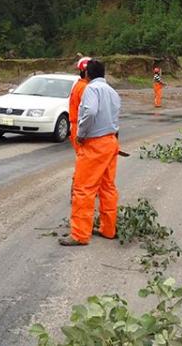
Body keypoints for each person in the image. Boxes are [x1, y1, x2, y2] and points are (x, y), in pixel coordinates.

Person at [60, 59, 121, 246]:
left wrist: (81, 133)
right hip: (111, 141)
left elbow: (91, 112)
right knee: (107, 187)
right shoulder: (112, 92)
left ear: (87, 74)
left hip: (95, 144)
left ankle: (79, 235)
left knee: (84, 189)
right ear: (103, 74)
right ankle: (108, 229)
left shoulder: (91, 90)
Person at [69, 57, 91, 152]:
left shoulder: (79, 85)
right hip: (81, 127)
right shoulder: (85, 88)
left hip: (76, 126)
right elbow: (90, 111)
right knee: (86, 158)